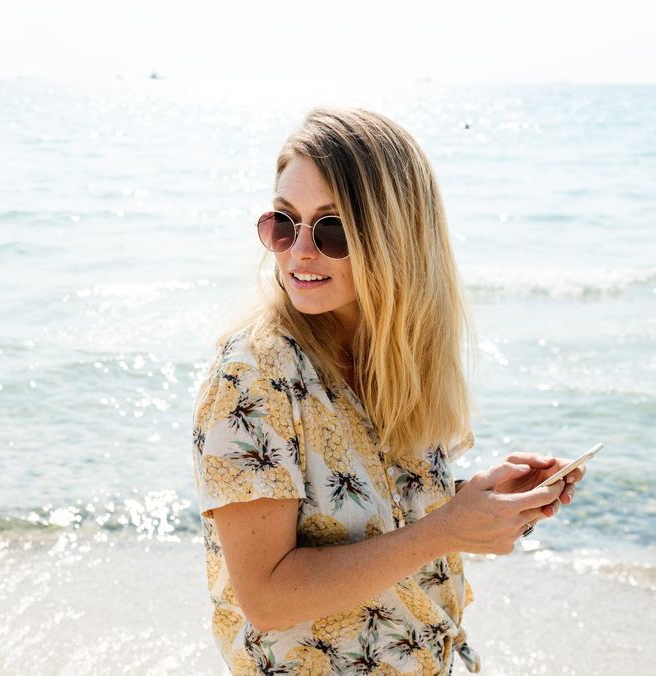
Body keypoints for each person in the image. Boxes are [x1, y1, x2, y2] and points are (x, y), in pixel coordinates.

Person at [189, 106, 586, 675]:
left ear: (395, 235)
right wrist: (445, 530)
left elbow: (371, 514)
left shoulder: (388, 359)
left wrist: (481, 506)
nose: (299, 250)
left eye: (332, 229)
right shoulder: (254, 373)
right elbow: (267, 597)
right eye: (283, 221)